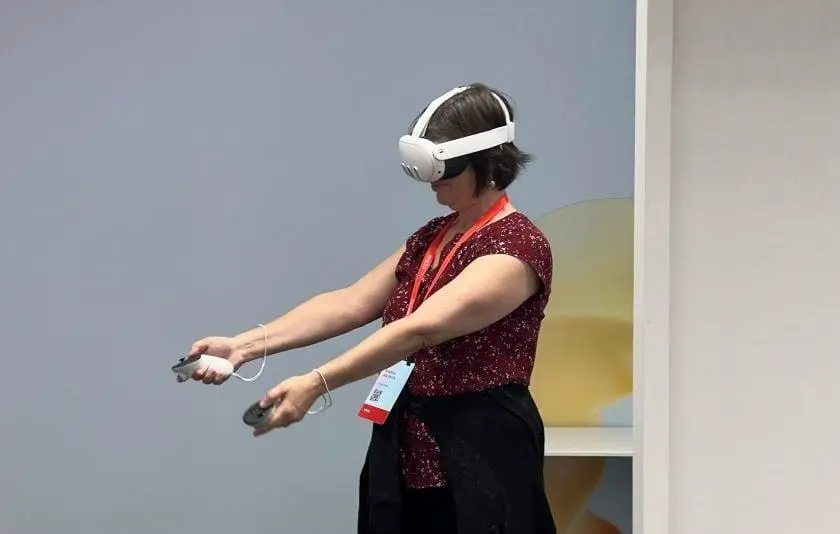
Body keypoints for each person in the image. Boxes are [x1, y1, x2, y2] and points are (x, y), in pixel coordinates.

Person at [184, 83, 557, 534]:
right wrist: (244, 345)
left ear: (489, 160)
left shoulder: (517, 248)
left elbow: (421, 329)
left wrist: (316, 383)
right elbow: (352, 302)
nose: (432, 180)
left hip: (481, 448)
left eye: (443, 167)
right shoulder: (434, 235)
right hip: (406, 442)